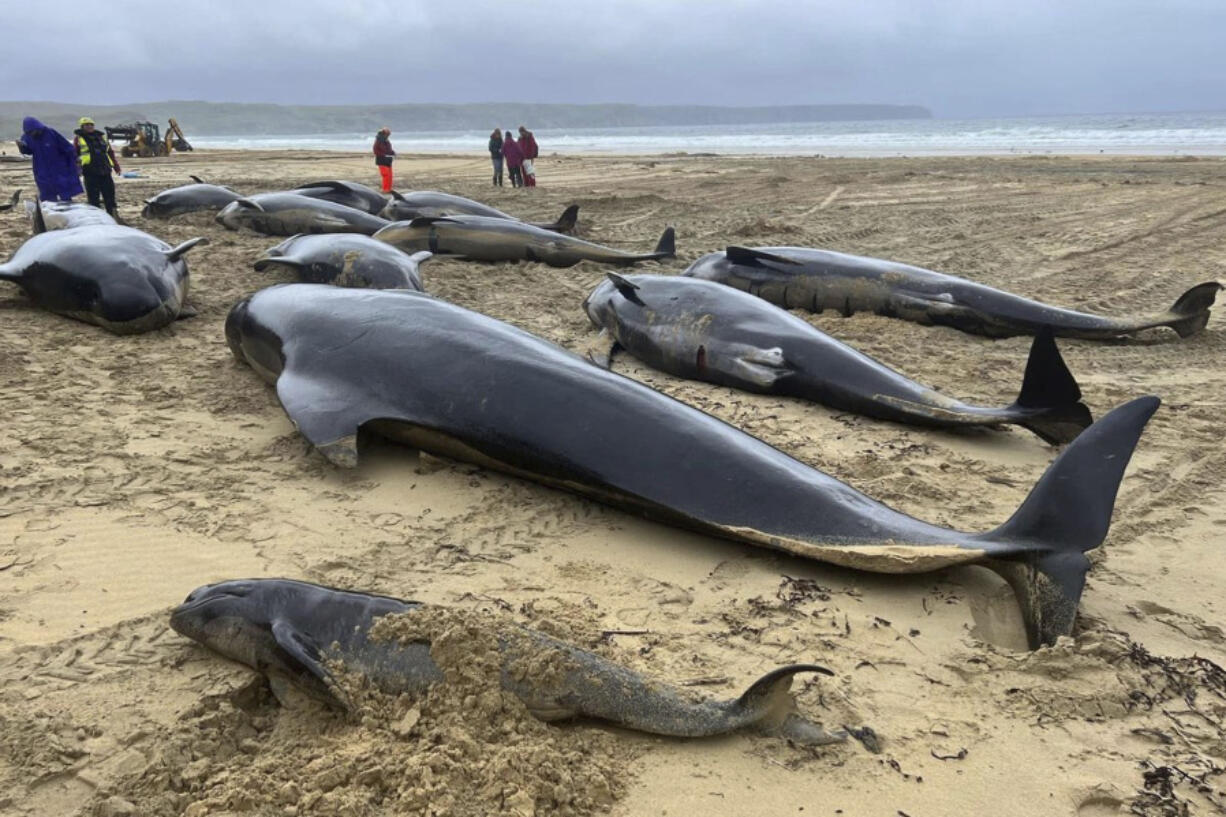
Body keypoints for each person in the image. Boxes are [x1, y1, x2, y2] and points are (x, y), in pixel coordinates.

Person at [16, 117, 84, 202]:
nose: (32, 134)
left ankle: (67, 208)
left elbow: (67, 147)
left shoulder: (51, 133)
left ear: (37, 127)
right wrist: (22, 148)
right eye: (29, 133)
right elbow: (28, 151)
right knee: (47, 193)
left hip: (59, 168)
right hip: (41, 169)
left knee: (64, 192)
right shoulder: (27, 137)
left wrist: (75, 161)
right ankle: (49, 212)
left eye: (32, 131)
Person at [74, 117, 121, 216]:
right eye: (87, 125)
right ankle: (97, 217)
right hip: (90, 171)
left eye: (91, 125)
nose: (90, 126)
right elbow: (74, 155)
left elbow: (110, 152)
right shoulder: (78, 139)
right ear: (82, 127)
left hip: (105, 170)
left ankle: (113, 215)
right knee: (93, 198)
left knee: (109, 195)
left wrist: (116, 166)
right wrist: (76, 169)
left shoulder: (102, 137)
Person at [373, 128, 395, 192]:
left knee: (390, 175)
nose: (388, 135)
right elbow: (375, 151)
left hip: (388, 159)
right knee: (386, 175)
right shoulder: (378, 140)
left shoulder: (386, 140)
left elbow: (389, 149)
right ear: (384, 133)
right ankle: (385, 189)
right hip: (381, 160)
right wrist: (384, 155)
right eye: (388, 134)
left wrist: (392, 153)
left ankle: (389, 188)